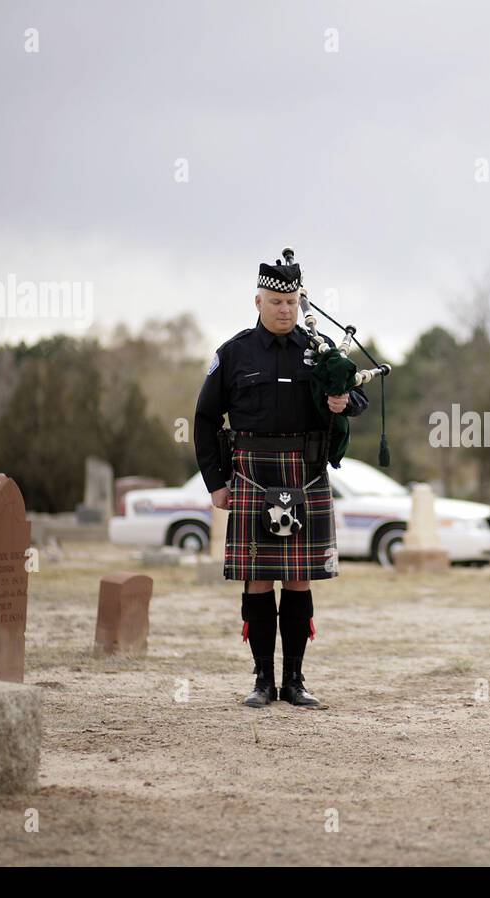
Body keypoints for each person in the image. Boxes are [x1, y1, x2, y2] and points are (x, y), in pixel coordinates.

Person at [193, 251, 369, 708]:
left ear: (299, 301)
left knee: (298, 580)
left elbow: (358, 397)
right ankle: (262, 681)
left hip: (305, 472)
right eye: (276, 301)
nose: (285, 309)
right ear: (258, 301)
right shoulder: (233, 354)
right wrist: (216, 480)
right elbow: (206, 418)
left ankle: (295, 680)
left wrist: (342, 402)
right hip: (251, 472)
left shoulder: (320, 350)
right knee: (257, 579)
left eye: (291, 301)